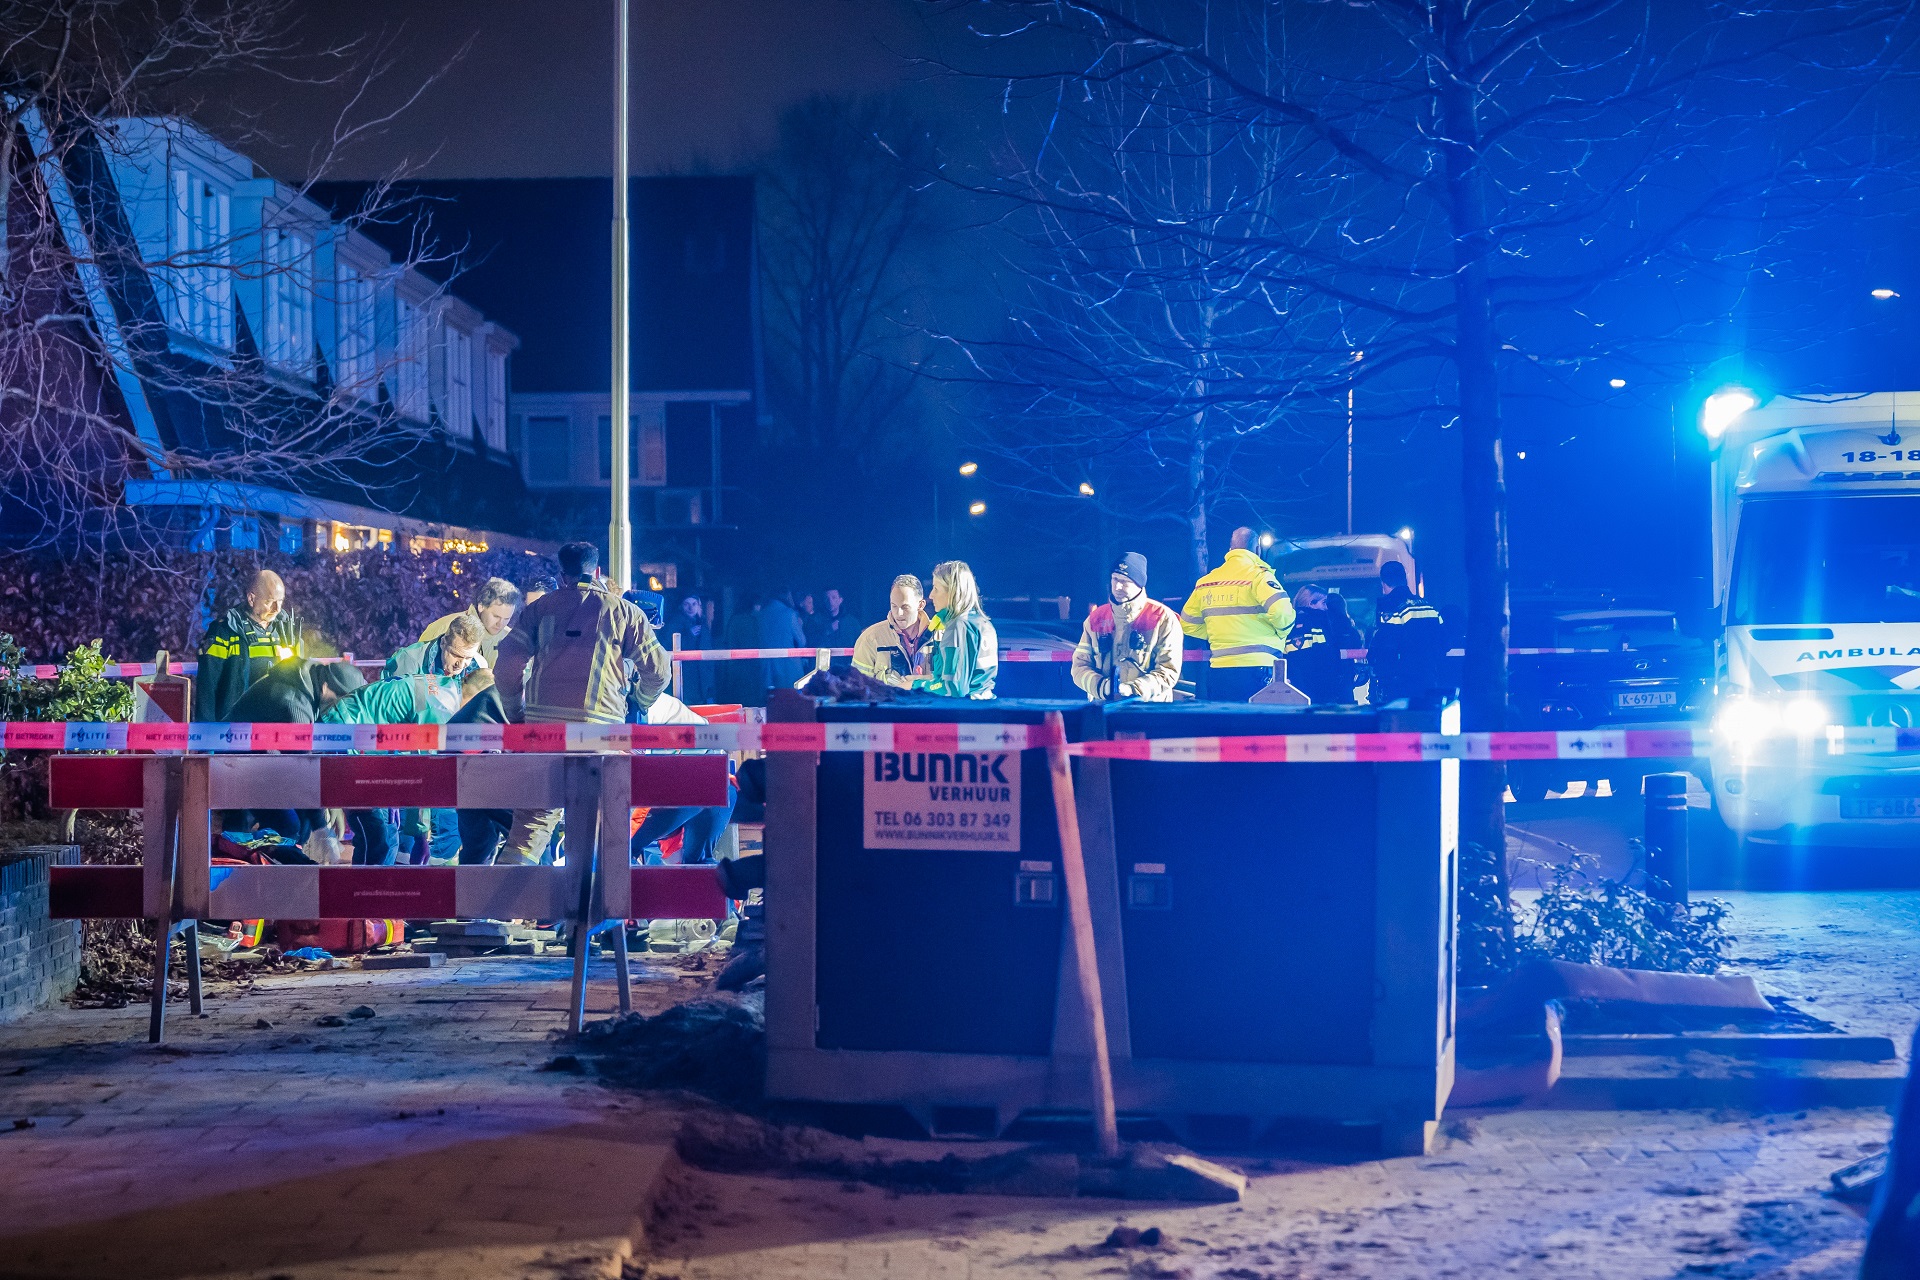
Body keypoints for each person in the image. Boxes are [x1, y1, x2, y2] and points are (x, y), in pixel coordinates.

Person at [492, 541, 670, 863]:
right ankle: (599, 908)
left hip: (542, 736)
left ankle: (505, 908)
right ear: (597, 571)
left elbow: (506, 663)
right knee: (607, 825)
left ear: (561, 576)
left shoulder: (539, 609)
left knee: (531, 826)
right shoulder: (625, 612)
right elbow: (658, 672)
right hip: (601, 738)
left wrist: (517, 714)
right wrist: (639, 701)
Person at [317, 670, 462, 865]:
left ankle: (375, 889)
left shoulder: (441, 686)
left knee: (387, 835)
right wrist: (420, 838)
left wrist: (391, 794)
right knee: (375, 835)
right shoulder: (440, 708)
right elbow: (421, 772)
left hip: (355, 738)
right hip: (345, 737)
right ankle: (362, 892)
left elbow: (396, 727)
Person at [223, 658, 368, 841]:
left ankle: (287, 860)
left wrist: (330, 800)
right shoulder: (294, 704)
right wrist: (322, 829)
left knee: (303, 819)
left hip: (264, 755)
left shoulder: (311, 688)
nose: (340, 708)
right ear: (325, 687)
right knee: (288, 826)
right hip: (234, 760)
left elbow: (317, 753)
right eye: (338, 700)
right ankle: (261, 863)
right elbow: (302, 768)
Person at [1180, 528, 1296, 703]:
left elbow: (1187, 623)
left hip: (1219, 670)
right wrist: (1280, 633)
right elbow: (1283, 614)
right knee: (1258, 727)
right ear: (1257, 549)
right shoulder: (1258, 576)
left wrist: (1217, 633)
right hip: (1258, 668)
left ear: (1230, 550)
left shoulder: (1206, 582)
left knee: (1226, 727)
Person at [1072, 552, 1182, 702]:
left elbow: (1168, 671)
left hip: (1149, 713)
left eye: (1125, 581)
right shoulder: (1095, 618)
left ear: (1140, 584)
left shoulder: (1163, 618)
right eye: (1115, 579)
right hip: (1104, 712)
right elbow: (1079, 667)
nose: (1117, 586)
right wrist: (1103, 687)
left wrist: (1132, 690)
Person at [197, 569, 301, 721]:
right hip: (236, 726)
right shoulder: (224, 631)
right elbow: (207, 687)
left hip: (276, 725)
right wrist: (206, 734)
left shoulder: (286, 630)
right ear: (251, 599)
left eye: (280, 601)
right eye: (270, 601)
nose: (277, 609)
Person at [1369, 559, 1447, 706]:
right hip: (1428, 677)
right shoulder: (1428, 606)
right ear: (1404, 579)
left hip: (1400, 682)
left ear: (1383, 583)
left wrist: (1382, 673)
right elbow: (1443, 642)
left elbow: (1386, 646)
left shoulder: (1391, 607)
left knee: (1400, 723)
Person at [919, 561, 997, 699]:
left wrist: (918, 685)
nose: (931, 595)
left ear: (953, 592)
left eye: (936, 589)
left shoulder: (957, 626)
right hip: (983, 706)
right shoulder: (982, 623)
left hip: (963, 711)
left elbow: (953, 687)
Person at [852, 574, 934, 689]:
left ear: (921, 605)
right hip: (887, 706)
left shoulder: (940, 637)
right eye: (894, 606)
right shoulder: (870, 638)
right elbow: (858, 687)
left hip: (931, 706)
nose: (899, 613)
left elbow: (950, 684)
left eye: (905, 607)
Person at [419, 577, 523, 666]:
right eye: (496, 616)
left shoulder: (511, 639)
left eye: (506, 619)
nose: (500, 624)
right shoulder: (445, 628)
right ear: (481, 606)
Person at [1283, 584, 1351, 705]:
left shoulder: (1316, 622)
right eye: (1324, 602)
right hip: (1313, 694)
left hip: (1321, 691)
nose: (1326, 607)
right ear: (1311, 603)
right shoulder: (1302, 624)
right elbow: (1301, 663)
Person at [386, 611, 486, 681]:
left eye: (468, 658)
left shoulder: (480, 666)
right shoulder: (409, 660)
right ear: (443, 643)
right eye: (456, 655)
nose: (460, 664)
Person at [666, 593, 715, 704]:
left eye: (694, 604)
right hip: (685, 679)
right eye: (686, 604)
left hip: (703, 680)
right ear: (681, 606)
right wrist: (688, 635)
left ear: (699, 605)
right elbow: (667, 646)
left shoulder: (702, 623)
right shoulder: (674, 623)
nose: (690, 607)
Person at [757, 590, 807, 697]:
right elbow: (802, 641)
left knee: (771, 702)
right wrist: (800, 626)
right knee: (791, 701)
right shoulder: (789, 614)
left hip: (767, 666)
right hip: (788, 666)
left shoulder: (761, 615)